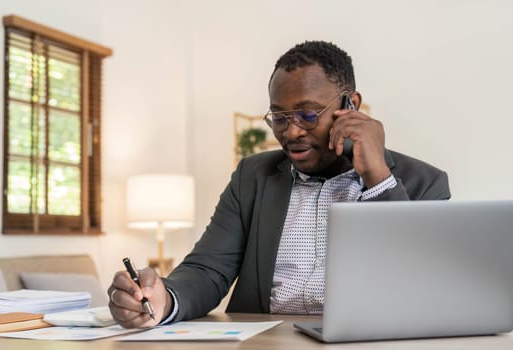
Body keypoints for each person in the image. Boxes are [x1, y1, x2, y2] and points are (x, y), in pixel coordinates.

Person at [108, 40, 451, 328]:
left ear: (351, 106)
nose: (292, 132)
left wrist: (377, 176)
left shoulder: (423, 183)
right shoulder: (252, 176)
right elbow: (207, 270)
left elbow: (420, 289)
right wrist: (164, 299)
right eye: (280, 117)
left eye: (308, 115)